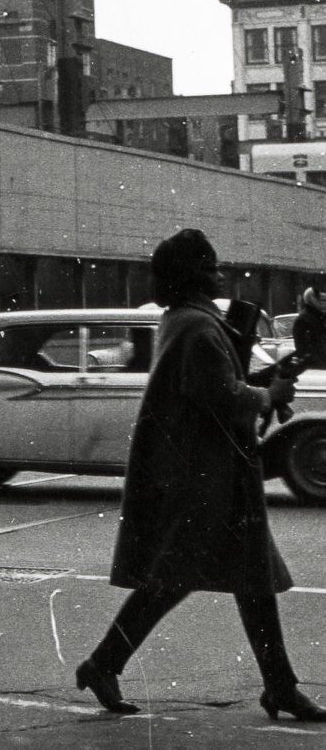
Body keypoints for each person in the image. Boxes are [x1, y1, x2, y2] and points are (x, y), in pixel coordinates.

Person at [75, 228, 322, 720]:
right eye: (211, 267)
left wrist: (262, 382)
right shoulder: (199, 328)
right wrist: (268, 394)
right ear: (194, 275)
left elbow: (217, 385)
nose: (220, 274)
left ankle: (280, 686)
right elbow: (222, 398)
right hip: (206, 482)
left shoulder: (186, 321)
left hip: (209, 477)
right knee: (181, 579)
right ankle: (104, 663)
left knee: (247, 581)